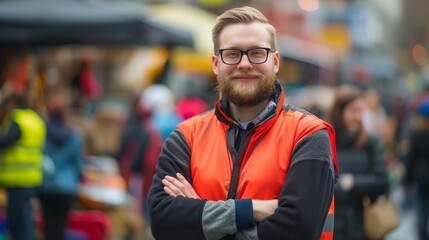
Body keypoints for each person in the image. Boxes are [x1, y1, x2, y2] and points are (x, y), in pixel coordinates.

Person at [147, 6, 339, 240]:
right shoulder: (186, 136)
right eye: (232, 53)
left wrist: (202, 216)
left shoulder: (308, 134)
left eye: (257, 53)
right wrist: (254, 209)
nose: (245, 63)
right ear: (216, 64)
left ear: (275, 62)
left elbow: (297, 231)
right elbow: (162, 222)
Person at [324, 85, 389, 240]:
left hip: (363, 224)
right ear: (340, 111)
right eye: (353, 110)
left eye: (361, 111)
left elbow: (383, 182)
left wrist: (353, 182)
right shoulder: (324, 138)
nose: (359, 116)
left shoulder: (370, 142)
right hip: (331, 224)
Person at [39, 91, 84, 240]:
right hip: (67, 187)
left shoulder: (42, 132)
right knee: (60, 227)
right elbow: (78, 164)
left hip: (47, 187)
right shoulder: (74, 135)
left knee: (48, 228)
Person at [0, 94, 46, 240]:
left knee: (18, 221)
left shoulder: (19, 119)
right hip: (32, 177)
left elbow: (5, 141)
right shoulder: (36, 120)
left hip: (17, 178)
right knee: (26, 219)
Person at [405, 97, 429, 240]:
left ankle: (422, 234)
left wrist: (407, 180)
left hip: (420, 176)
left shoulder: (416, 132)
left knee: (421, 209)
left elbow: (411, 158)